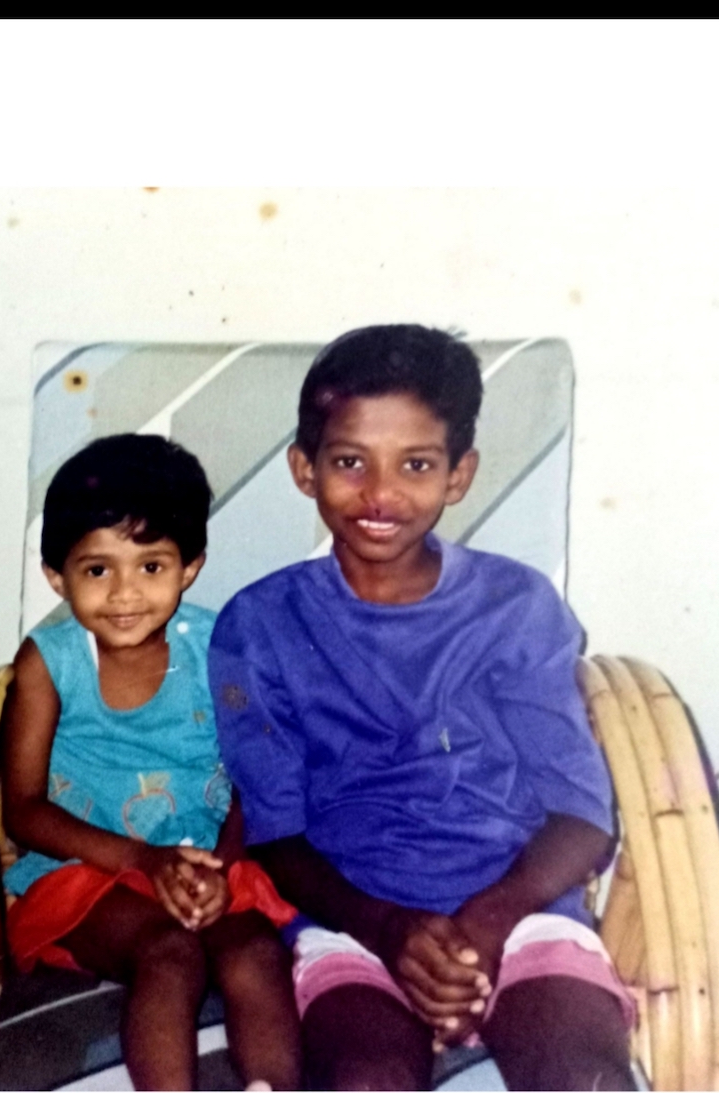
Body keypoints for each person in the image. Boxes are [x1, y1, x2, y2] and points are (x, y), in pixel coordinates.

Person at [208, 325, 638, 1091]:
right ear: (304, 470)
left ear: (459, 474)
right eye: (350, 461)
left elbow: (582, 813)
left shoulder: (516, 605)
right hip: (353, 920)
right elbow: (276, 831)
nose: (381, 492)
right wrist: (388, 928)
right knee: (364, 1082)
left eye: (415, 464)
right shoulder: (259, 625)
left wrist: (487, 921)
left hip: (521, 903)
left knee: (582, 1077)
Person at [1, 434, 302, 1092]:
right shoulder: (49, 661)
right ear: (57, 575)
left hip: (206, 861)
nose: (125, 593)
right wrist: (142, 860)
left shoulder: (220, 647)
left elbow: (256, 776)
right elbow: (22, 810)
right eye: (97, 569)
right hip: (86, 872)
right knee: (170, 951)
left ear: (189, 565)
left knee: (255, 953)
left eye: (151, 566)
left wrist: (224, 864)